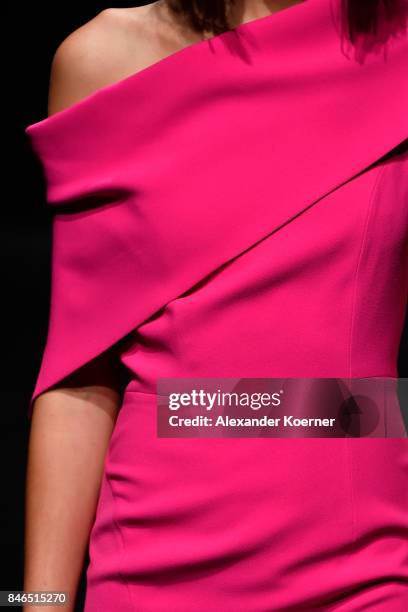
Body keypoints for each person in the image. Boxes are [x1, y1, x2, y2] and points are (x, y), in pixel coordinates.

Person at [24, 1, 407, 610]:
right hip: (152, 564)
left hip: (368, 560)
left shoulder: (397, 52)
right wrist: (37, 605)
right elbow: (78, 372)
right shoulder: (104, 59)